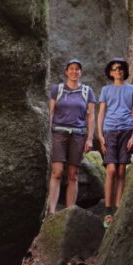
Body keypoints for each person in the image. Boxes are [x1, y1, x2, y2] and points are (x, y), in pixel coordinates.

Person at [47, 58, 96, 215]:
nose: (74, 72)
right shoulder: (58, 89)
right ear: (66, 72)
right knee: (57, 172)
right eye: (71, 69)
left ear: (81, 72)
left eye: (77, 69)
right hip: (59, 133)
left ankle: (68, 213)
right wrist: (48, 133)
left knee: (73, 175)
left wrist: (89, 138)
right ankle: (51, 211)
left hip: (78, 135)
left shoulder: (87, 91)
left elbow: (91, 116)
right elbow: (51, 112)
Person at [97, 58, 133, 228]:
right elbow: (101, 113)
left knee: (122, 171)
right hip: (109, 132)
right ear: (110, 72)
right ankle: (108, 211)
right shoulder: (106, 90)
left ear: (125, 71)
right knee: (111, 170)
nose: (118, 71)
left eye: (121, 68)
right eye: (115, 69)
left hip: (126, 131)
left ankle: (118, 209)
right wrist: (100, 136)